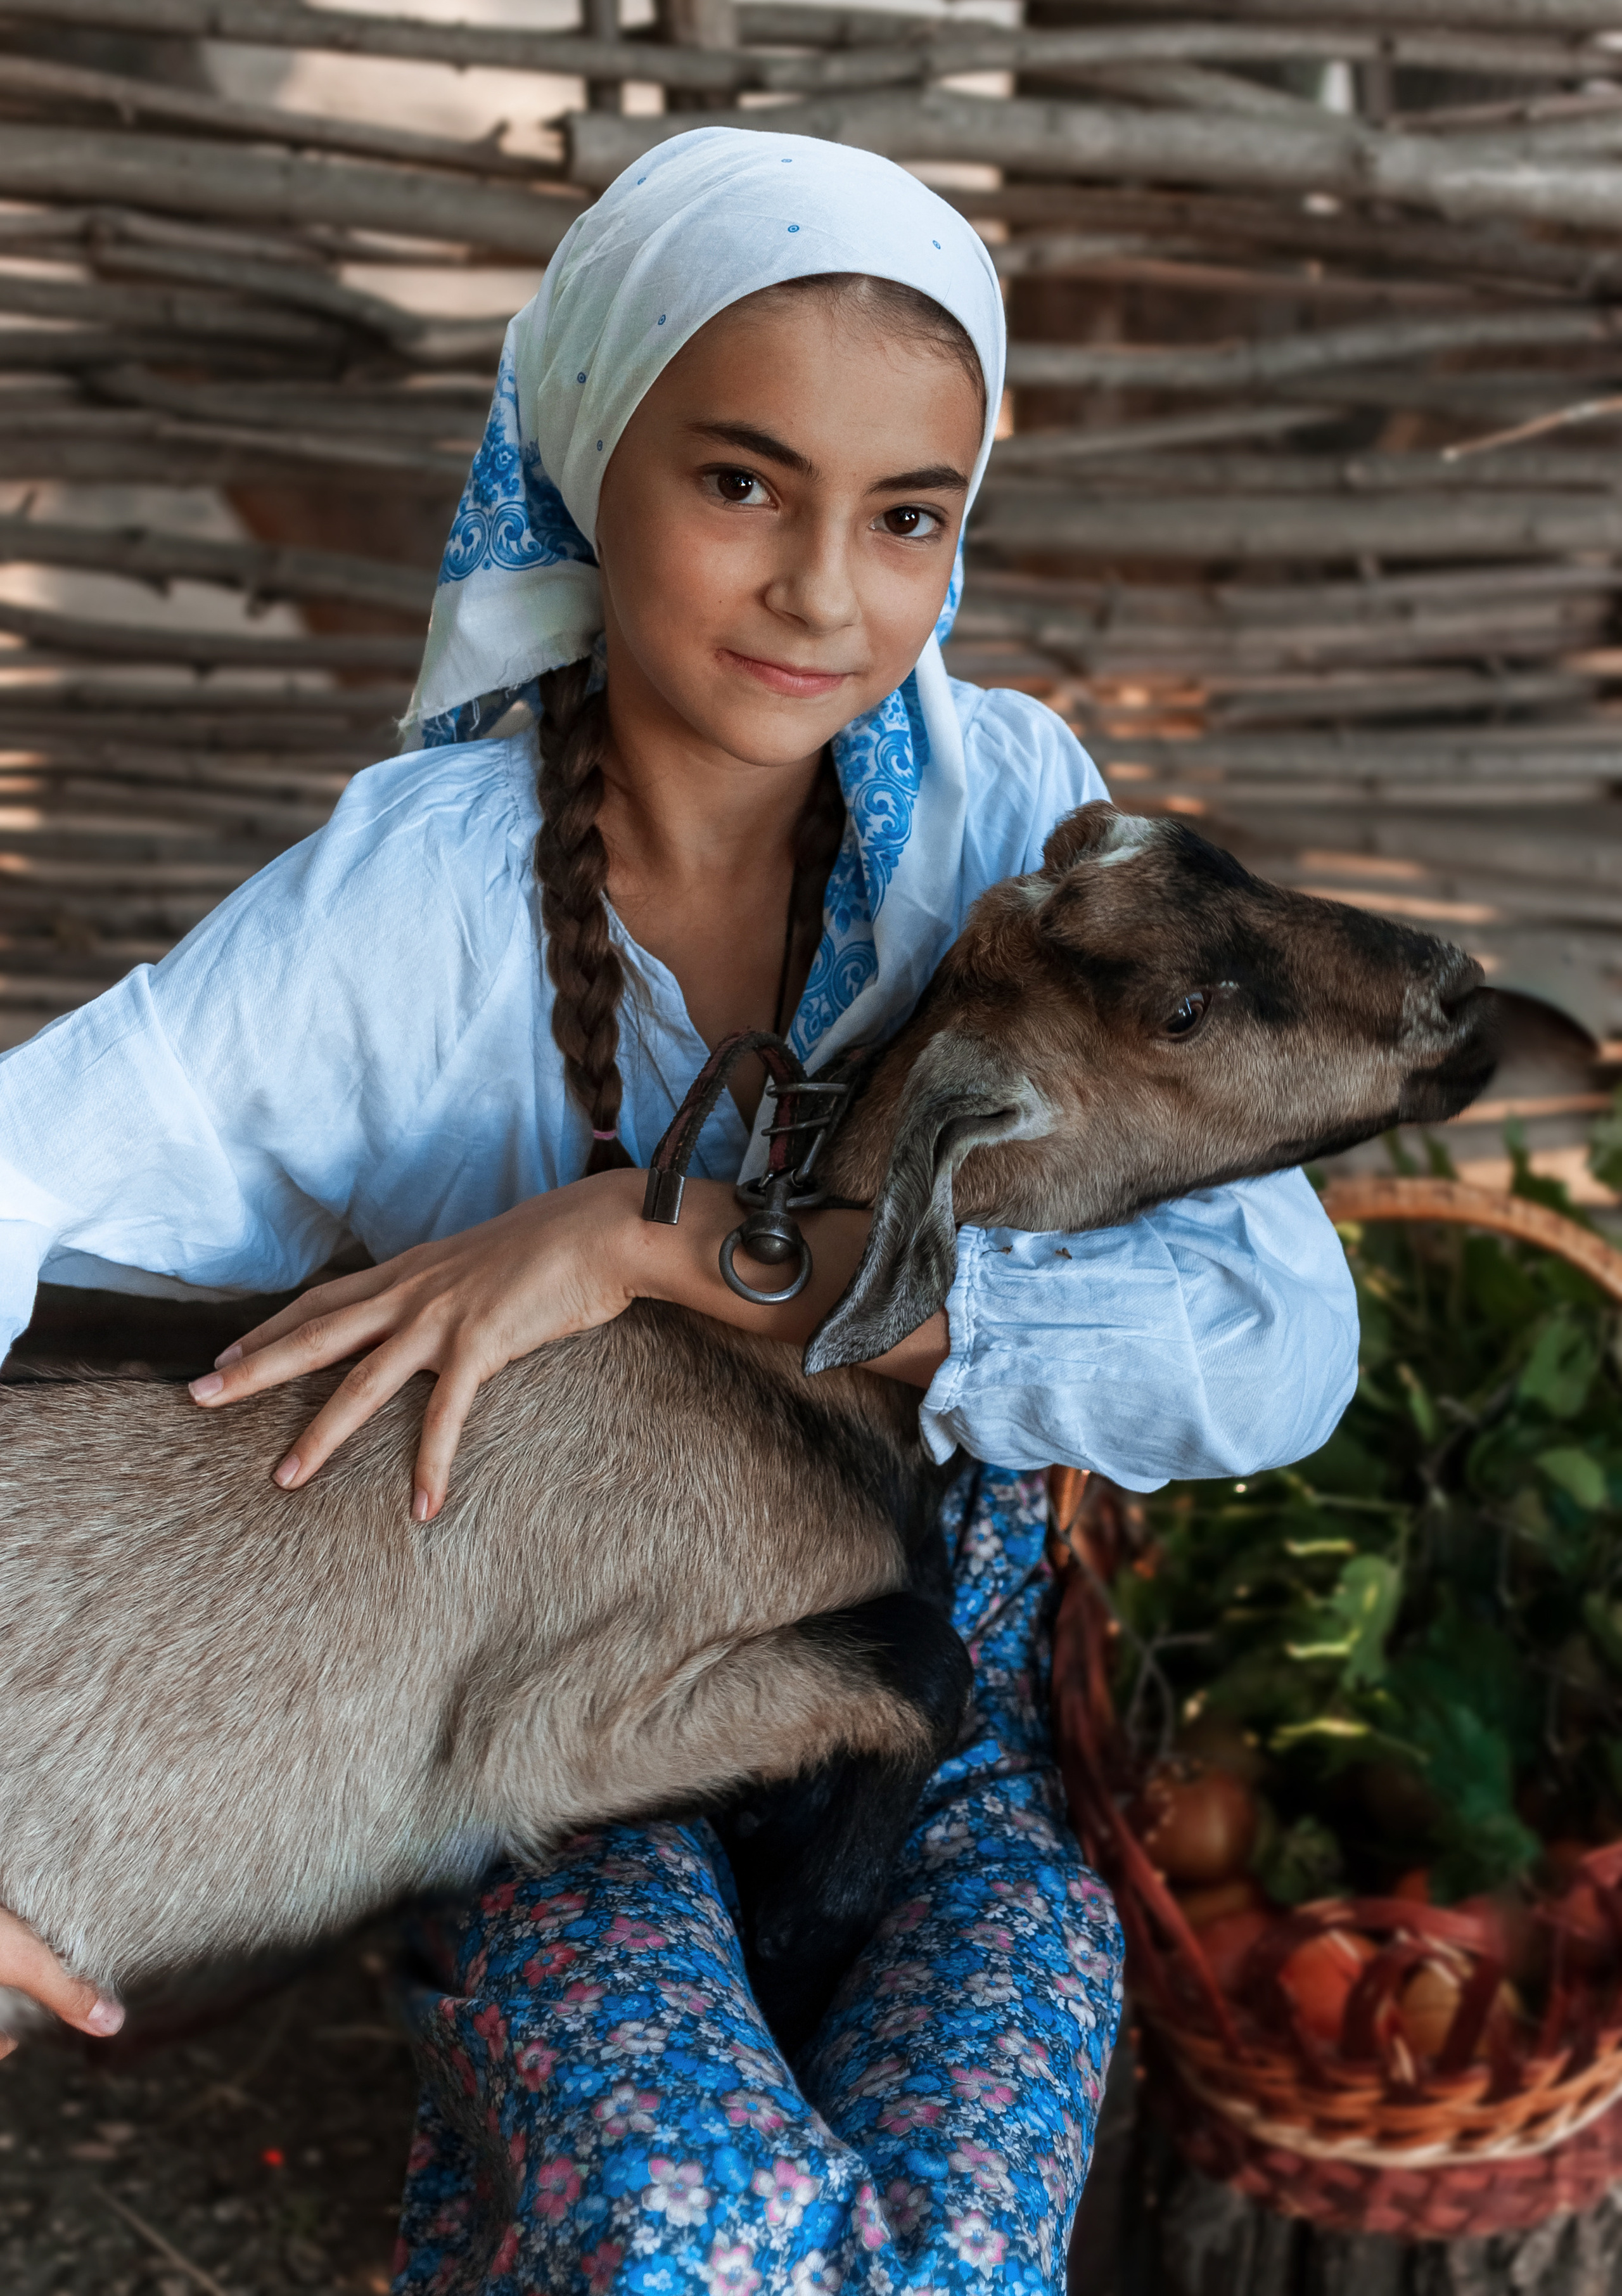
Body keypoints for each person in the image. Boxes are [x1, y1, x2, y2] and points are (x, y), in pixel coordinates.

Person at [0, 129, 1357, 2291]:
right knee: (689, 2223)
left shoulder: (1005, 816)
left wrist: (658, 1242)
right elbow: (26, 1159)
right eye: (743, 484)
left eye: (907, 516)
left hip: (953, 1708)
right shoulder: (413, 894)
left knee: (968, 2216)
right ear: (585, 463)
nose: (828, 593)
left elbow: (1280, 1349)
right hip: (547, 1722)